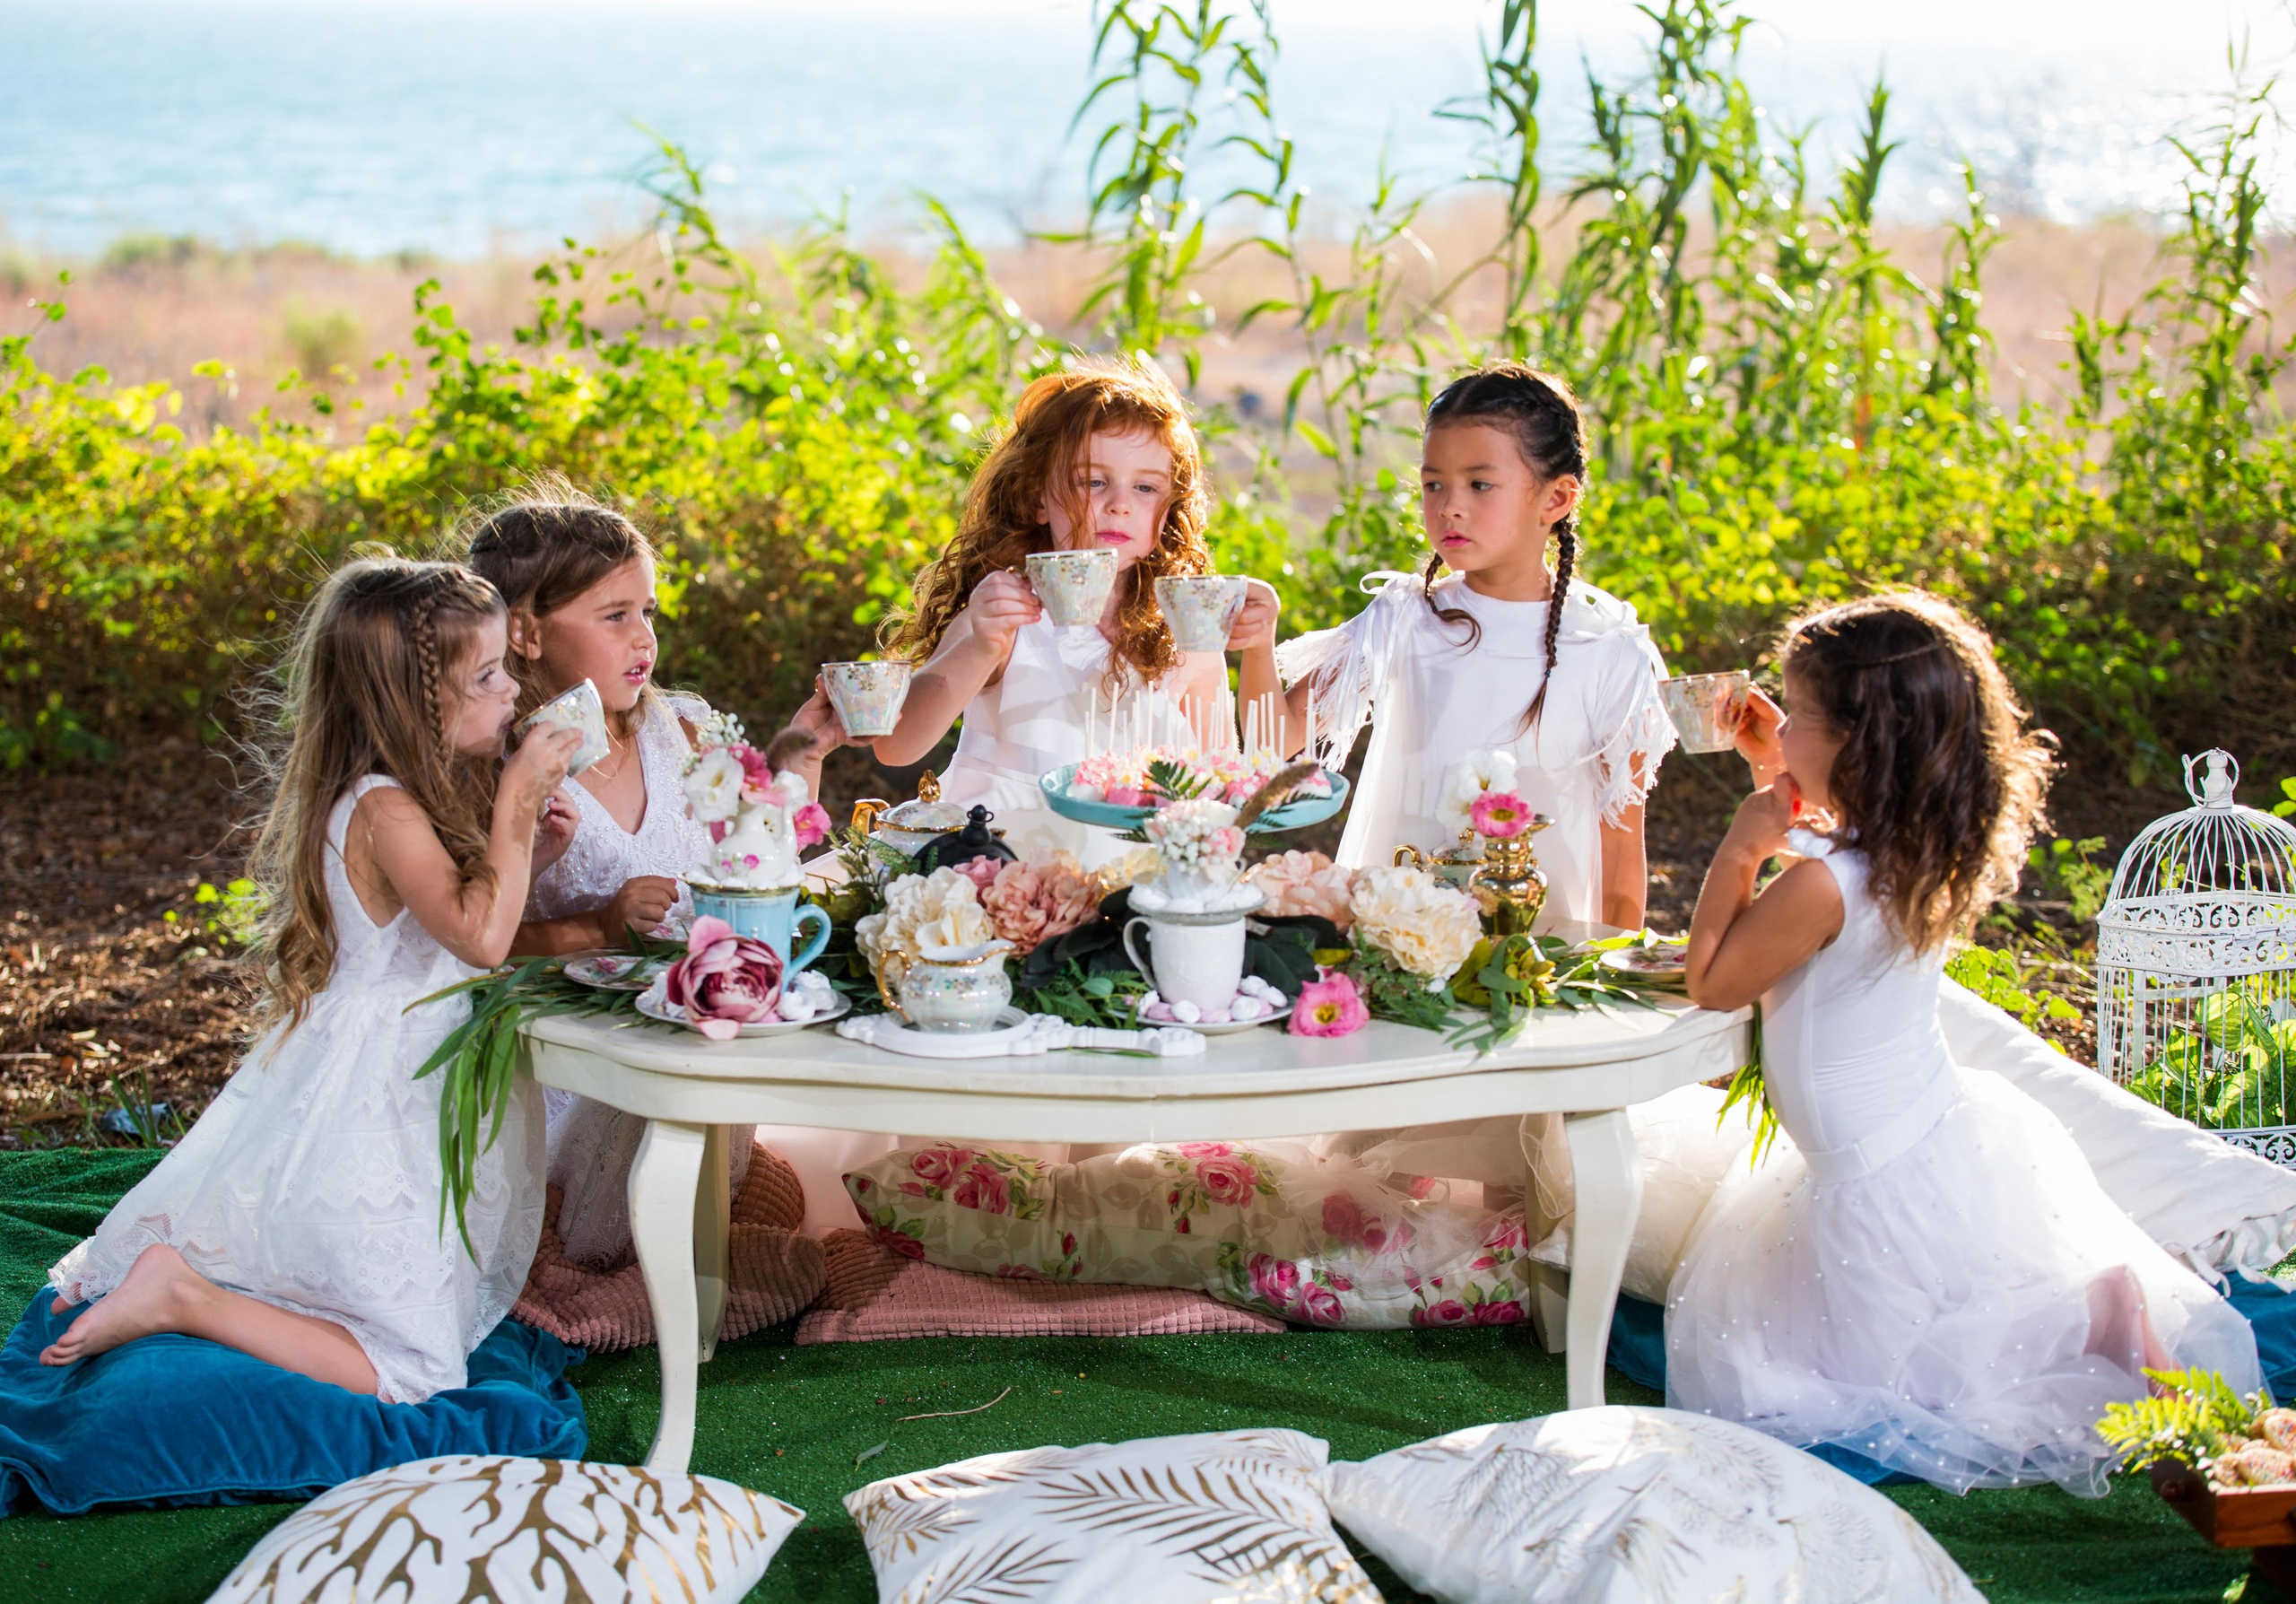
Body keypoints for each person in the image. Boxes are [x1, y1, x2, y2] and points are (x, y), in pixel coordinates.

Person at [1668, 590, 2261, 1495]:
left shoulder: (1819, 889)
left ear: (1857, 748)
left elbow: (1712, 979)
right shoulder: (1906, 852)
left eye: (1799, 719)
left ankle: (2091, 1324)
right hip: (1923, 1139)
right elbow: (1822, 850)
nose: (1782, 732)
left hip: (1867, 1183)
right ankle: (2087, 1308)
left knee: (1878, 1378)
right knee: (1961, 1290)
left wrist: (1739, 850)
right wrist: (1769, 766)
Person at [43, 561, 575, 1401]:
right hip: (380, 1099)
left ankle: (204, 1283)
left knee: (411, 1316)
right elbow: (479, 940)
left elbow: (451, 932)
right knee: (415, 1370)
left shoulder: (390, 799)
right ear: (416, 697)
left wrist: (530, 852)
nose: (512, 689)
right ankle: (186, 1298)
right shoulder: (385, 806)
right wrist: (514, 804)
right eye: (486, 676)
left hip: (389, 1077)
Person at [463, 480, 862, 1249]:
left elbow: (761, 848)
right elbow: (468, 943)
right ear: (525, 633)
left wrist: (804, 752)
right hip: (574, 1060)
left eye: (648, 612)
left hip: (699, 1028)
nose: (644, 637)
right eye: (615, 617)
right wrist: (599, 924)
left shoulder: (680, 727)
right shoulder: (496, 763)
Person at [1257, 362, 1674, 932]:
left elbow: (1622, 844)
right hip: (1396, 953)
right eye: (1434, 485)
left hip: (1539, 964)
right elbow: (1272, 740)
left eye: (1480, 484)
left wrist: (1614, 968)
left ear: (1556, 498)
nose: (1450, 506)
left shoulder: (1606, 647)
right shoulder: (1403, 619)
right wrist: (1256, 641)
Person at [874, 358, 1267, 866]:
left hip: (1131, 884)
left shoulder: (1186, 638)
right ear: (1039, 499)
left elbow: (1222, 790)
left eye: (1145, 488)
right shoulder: (1004, 615)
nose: (1120, 503)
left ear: (1167, 513)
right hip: (995, 870)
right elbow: (897, 746)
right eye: (1092, 482)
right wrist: (980, 646)